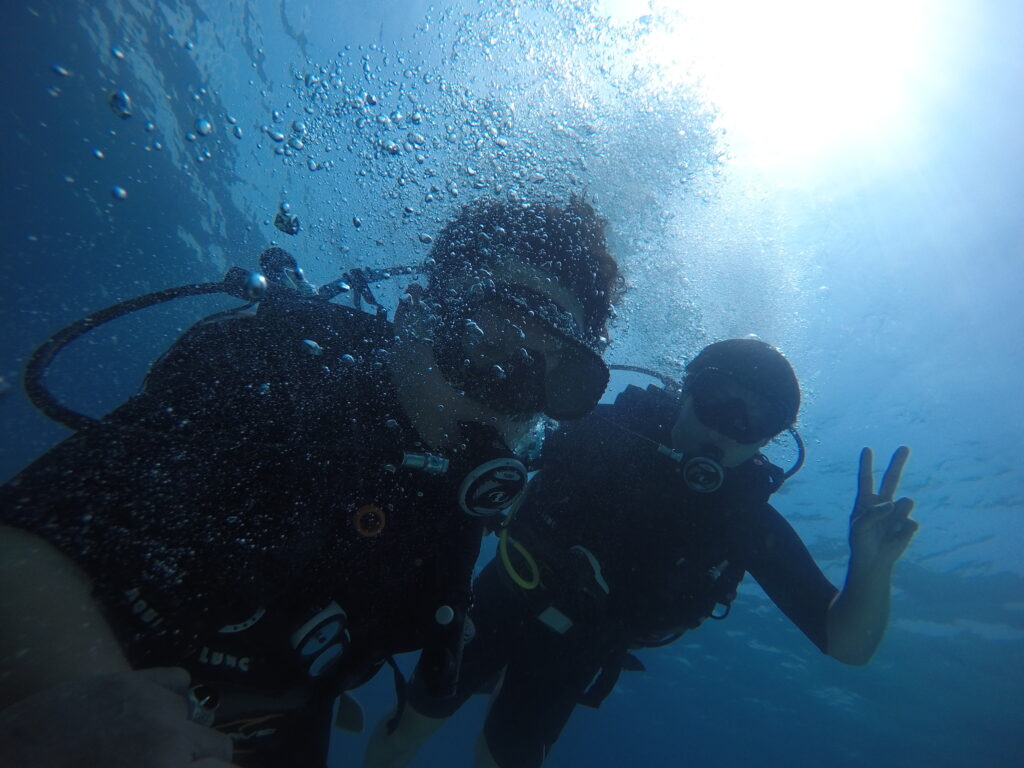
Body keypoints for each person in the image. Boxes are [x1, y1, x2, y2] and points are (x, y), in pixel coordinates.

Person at [0, 196, 621, 768]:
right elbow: (29, 537)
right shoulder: (272, 378)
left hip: (289, 714)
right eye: (492, 345)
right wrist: (81, 691)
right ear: (414, 315)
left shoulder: (460, 498)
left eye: (550, 377)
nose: (506, 400)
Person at [365, 338, 920, 768]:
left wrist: (871, 569)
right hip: (503, 599)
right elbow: (485, 463)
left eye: (758, 421)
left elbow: (848, 646)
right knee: (405, 733)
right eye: (717, 403)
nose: (728, 430)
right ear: (684, 391)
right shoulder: (597, 432)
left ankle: (508, 685)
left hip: (580, 650)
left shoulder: (743, 521)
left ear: (769, 439)